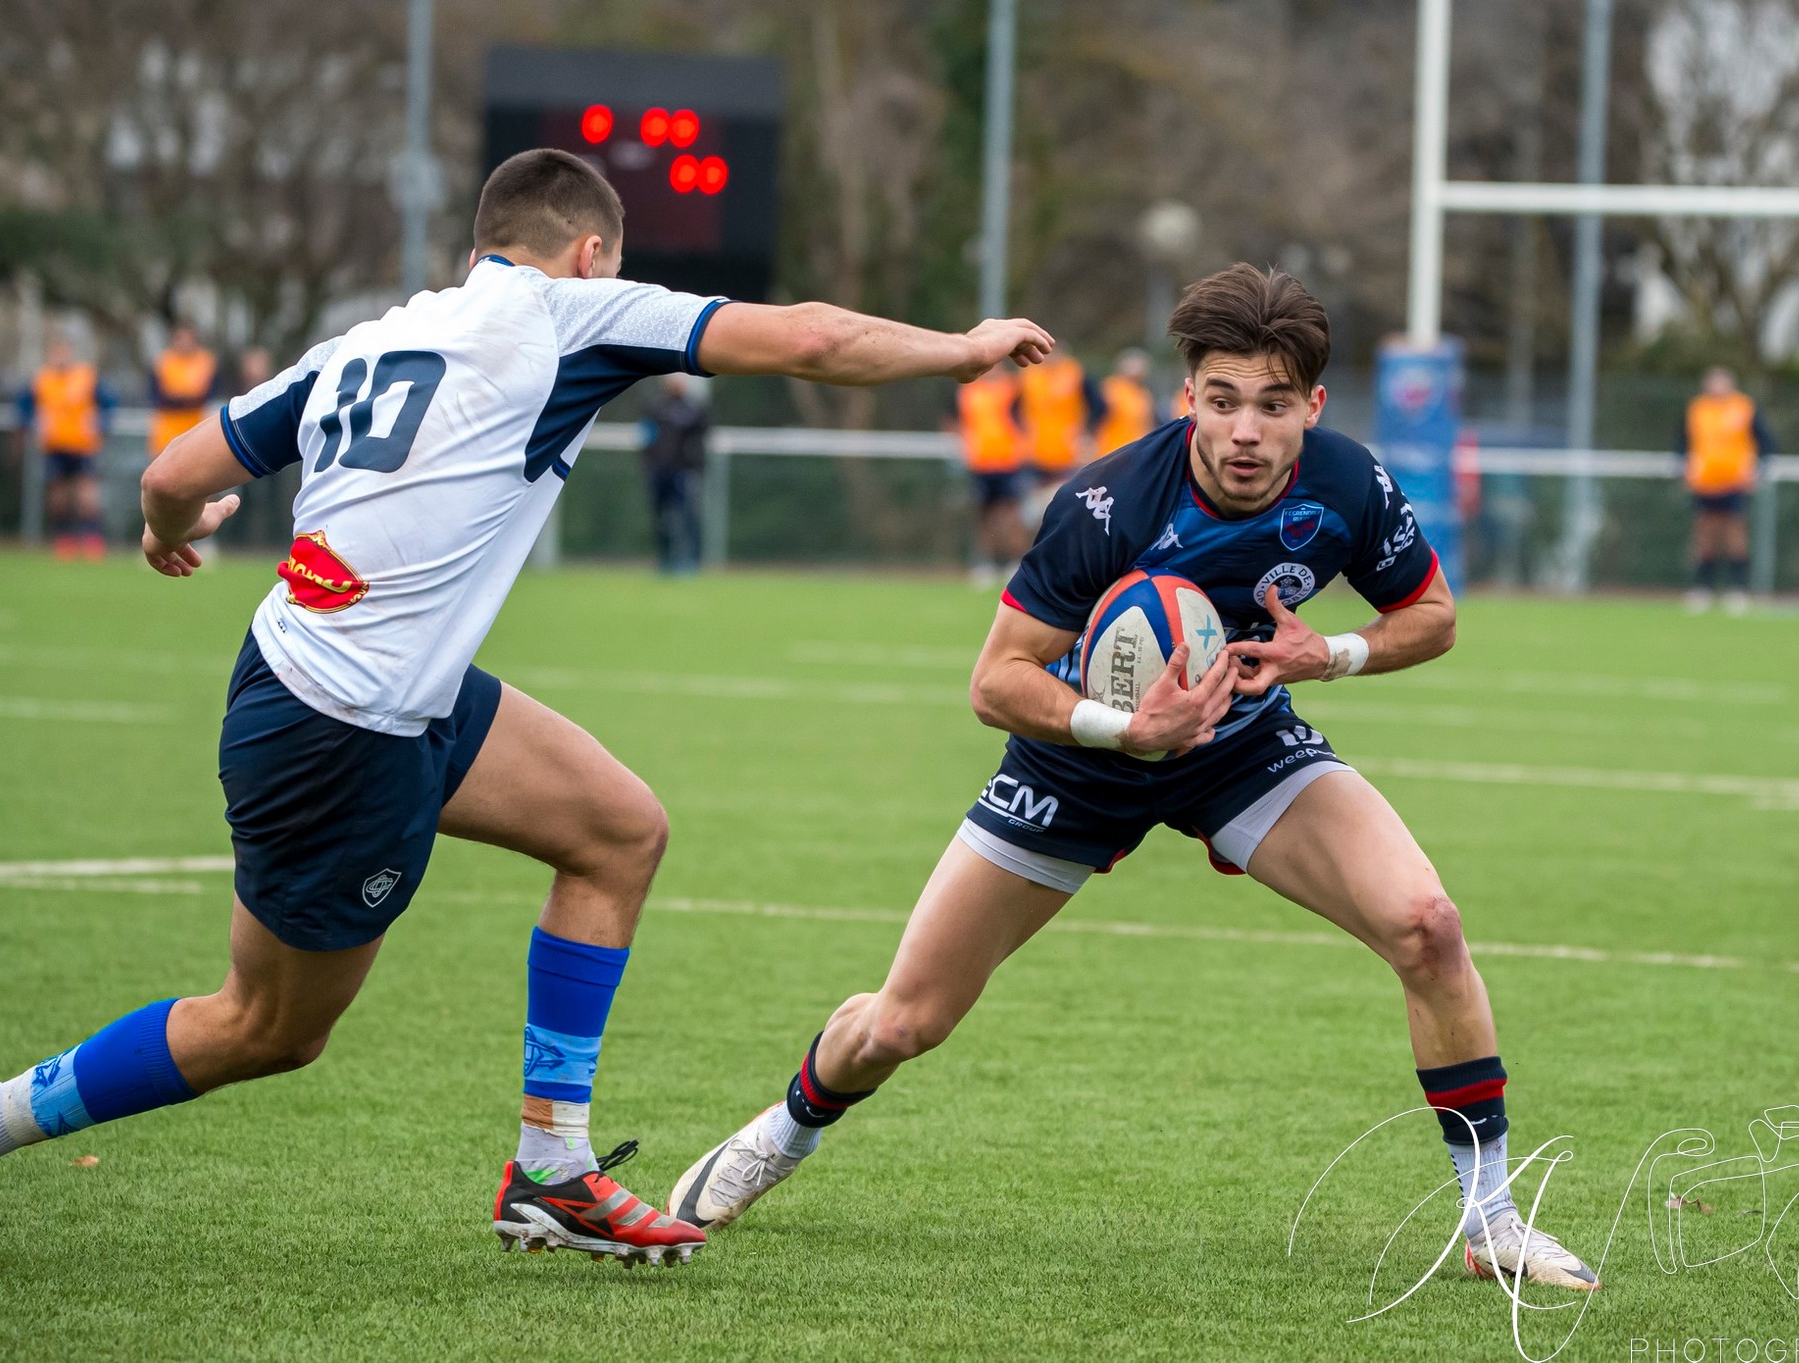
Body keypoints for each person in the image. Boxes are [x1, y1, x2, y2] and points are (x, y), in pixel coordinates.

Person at [0, 148, 1055, 1268]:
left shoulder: (368, 338)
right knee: (266, 1028)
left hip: (377, 688)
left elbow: (171, 477)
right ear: (590, 252)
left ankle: (550, 1168)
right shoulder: (568, 314)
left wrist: (164, 536)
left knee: (616, 829)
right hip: (337, 730)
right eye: (613, 263)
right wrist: (962, 347)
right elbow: (808, 335)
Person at [667, 264, 1603, 1292]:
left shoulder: (1345, 484)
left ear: (1312, 407)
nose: (1245, 431)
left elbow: (1431, 616)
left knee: (1426, 924)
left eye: (1274, 406)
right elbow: (994, 681)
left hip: (1241, 748)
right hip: (1076, 763)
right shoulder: (1105, 504)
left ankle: (1491, 1220)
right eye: (1222, 401)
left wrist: (1326, 654)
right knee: (902, 1023)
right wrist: (1124, 727)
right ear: (1186, 397)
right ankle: (785, 1129)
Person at [1678, 366, 1773, 614]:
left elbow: (1766, 442)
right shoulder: (1697, 409)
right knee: (1704, 536)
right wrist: (1683, 467)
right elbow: (1682, 443)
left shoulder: (1743, 408)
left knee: (1735, 536)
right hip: (1705, 483)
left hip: (1734, 483)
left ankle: (1737, 590)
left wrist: (1759, 469)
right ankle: (1703, 588)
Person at [15, 336, 116, 561]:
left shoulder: (86, 377)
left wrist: (101, 423)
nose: (60, 358)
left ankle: (92, 542)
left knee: (87, 497)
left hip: (83, 446)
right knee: (58, 498)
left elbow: (109, 404)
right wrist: (33, 423)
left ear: (70, 353)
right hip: (54, 446)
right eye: (55, 353)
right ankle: (64, 542)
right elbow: (22, 409)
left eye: (63, 353)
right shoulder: (41, 380)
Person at [952, 362, 1028, 589]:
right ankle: (985, 565)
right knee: (983, 516)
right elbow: (956, 421)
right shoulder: (968, 391)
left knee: (1011, 516)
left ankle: (1016, 564)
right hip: (980, 464)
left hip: (1008, 462)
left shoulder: (1013, 388)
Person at [1017, 347, 1104, 523]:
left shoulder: (1074, 374)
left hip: (1069, 453)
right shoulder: (1029, 376)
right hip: (1035, 454)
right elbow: (1013, 408)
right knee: (1033, 515)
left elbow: (1100, 406)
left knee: (1067, 508)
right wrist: (1023, 430)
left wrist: (1087, 431)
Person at [639, 373, 711, 574]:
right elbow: (646, 436)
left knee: (688, 518)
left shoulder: (695, 409)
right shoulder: (655, 407)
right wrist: (648, 465)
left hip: (684, 472)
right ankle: (664, 561)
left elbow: (701, 441)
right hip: (659, 472)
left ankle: (691, 561)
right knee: (660, 518)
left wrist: (697, 467)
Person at [149, 323, 220, 460]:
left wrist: (179, 396)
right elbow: (159, 397)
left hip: (195, 429)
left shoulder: (205, 362)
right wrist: (188, 397)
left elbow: (207, 395)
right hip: (166, 432)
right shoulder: (163, 363)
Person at [1096, 347, 1159, 453]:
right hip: (1112, 450)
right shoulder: (1111, 388)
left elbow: (1149, 424)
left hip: (1136, 451)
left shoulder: (1143, 394)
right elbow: (1098, 415)